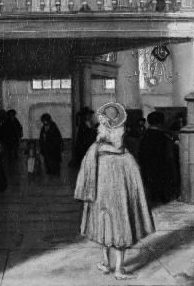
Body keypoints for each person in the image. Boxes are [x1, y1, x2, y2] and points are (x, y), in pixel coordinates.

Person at [75, 102, 154, 280]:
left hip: (101, 196)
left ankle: (105, 263)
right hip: (116, 197)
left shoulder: (95, 150)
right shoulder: (125, 156)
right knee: (119, 226)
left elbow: (86, 177)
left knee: (104, 224)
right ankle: (117, 269)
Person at [138, 111, 179, 206]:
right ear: (161, 122)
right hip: (161, 168)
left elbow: (140, 153)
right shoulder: (163, 137)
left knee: (152, 186)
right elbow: (169, 156)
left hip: (147, 167)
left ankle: (154, 198)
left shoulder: (145, 135)